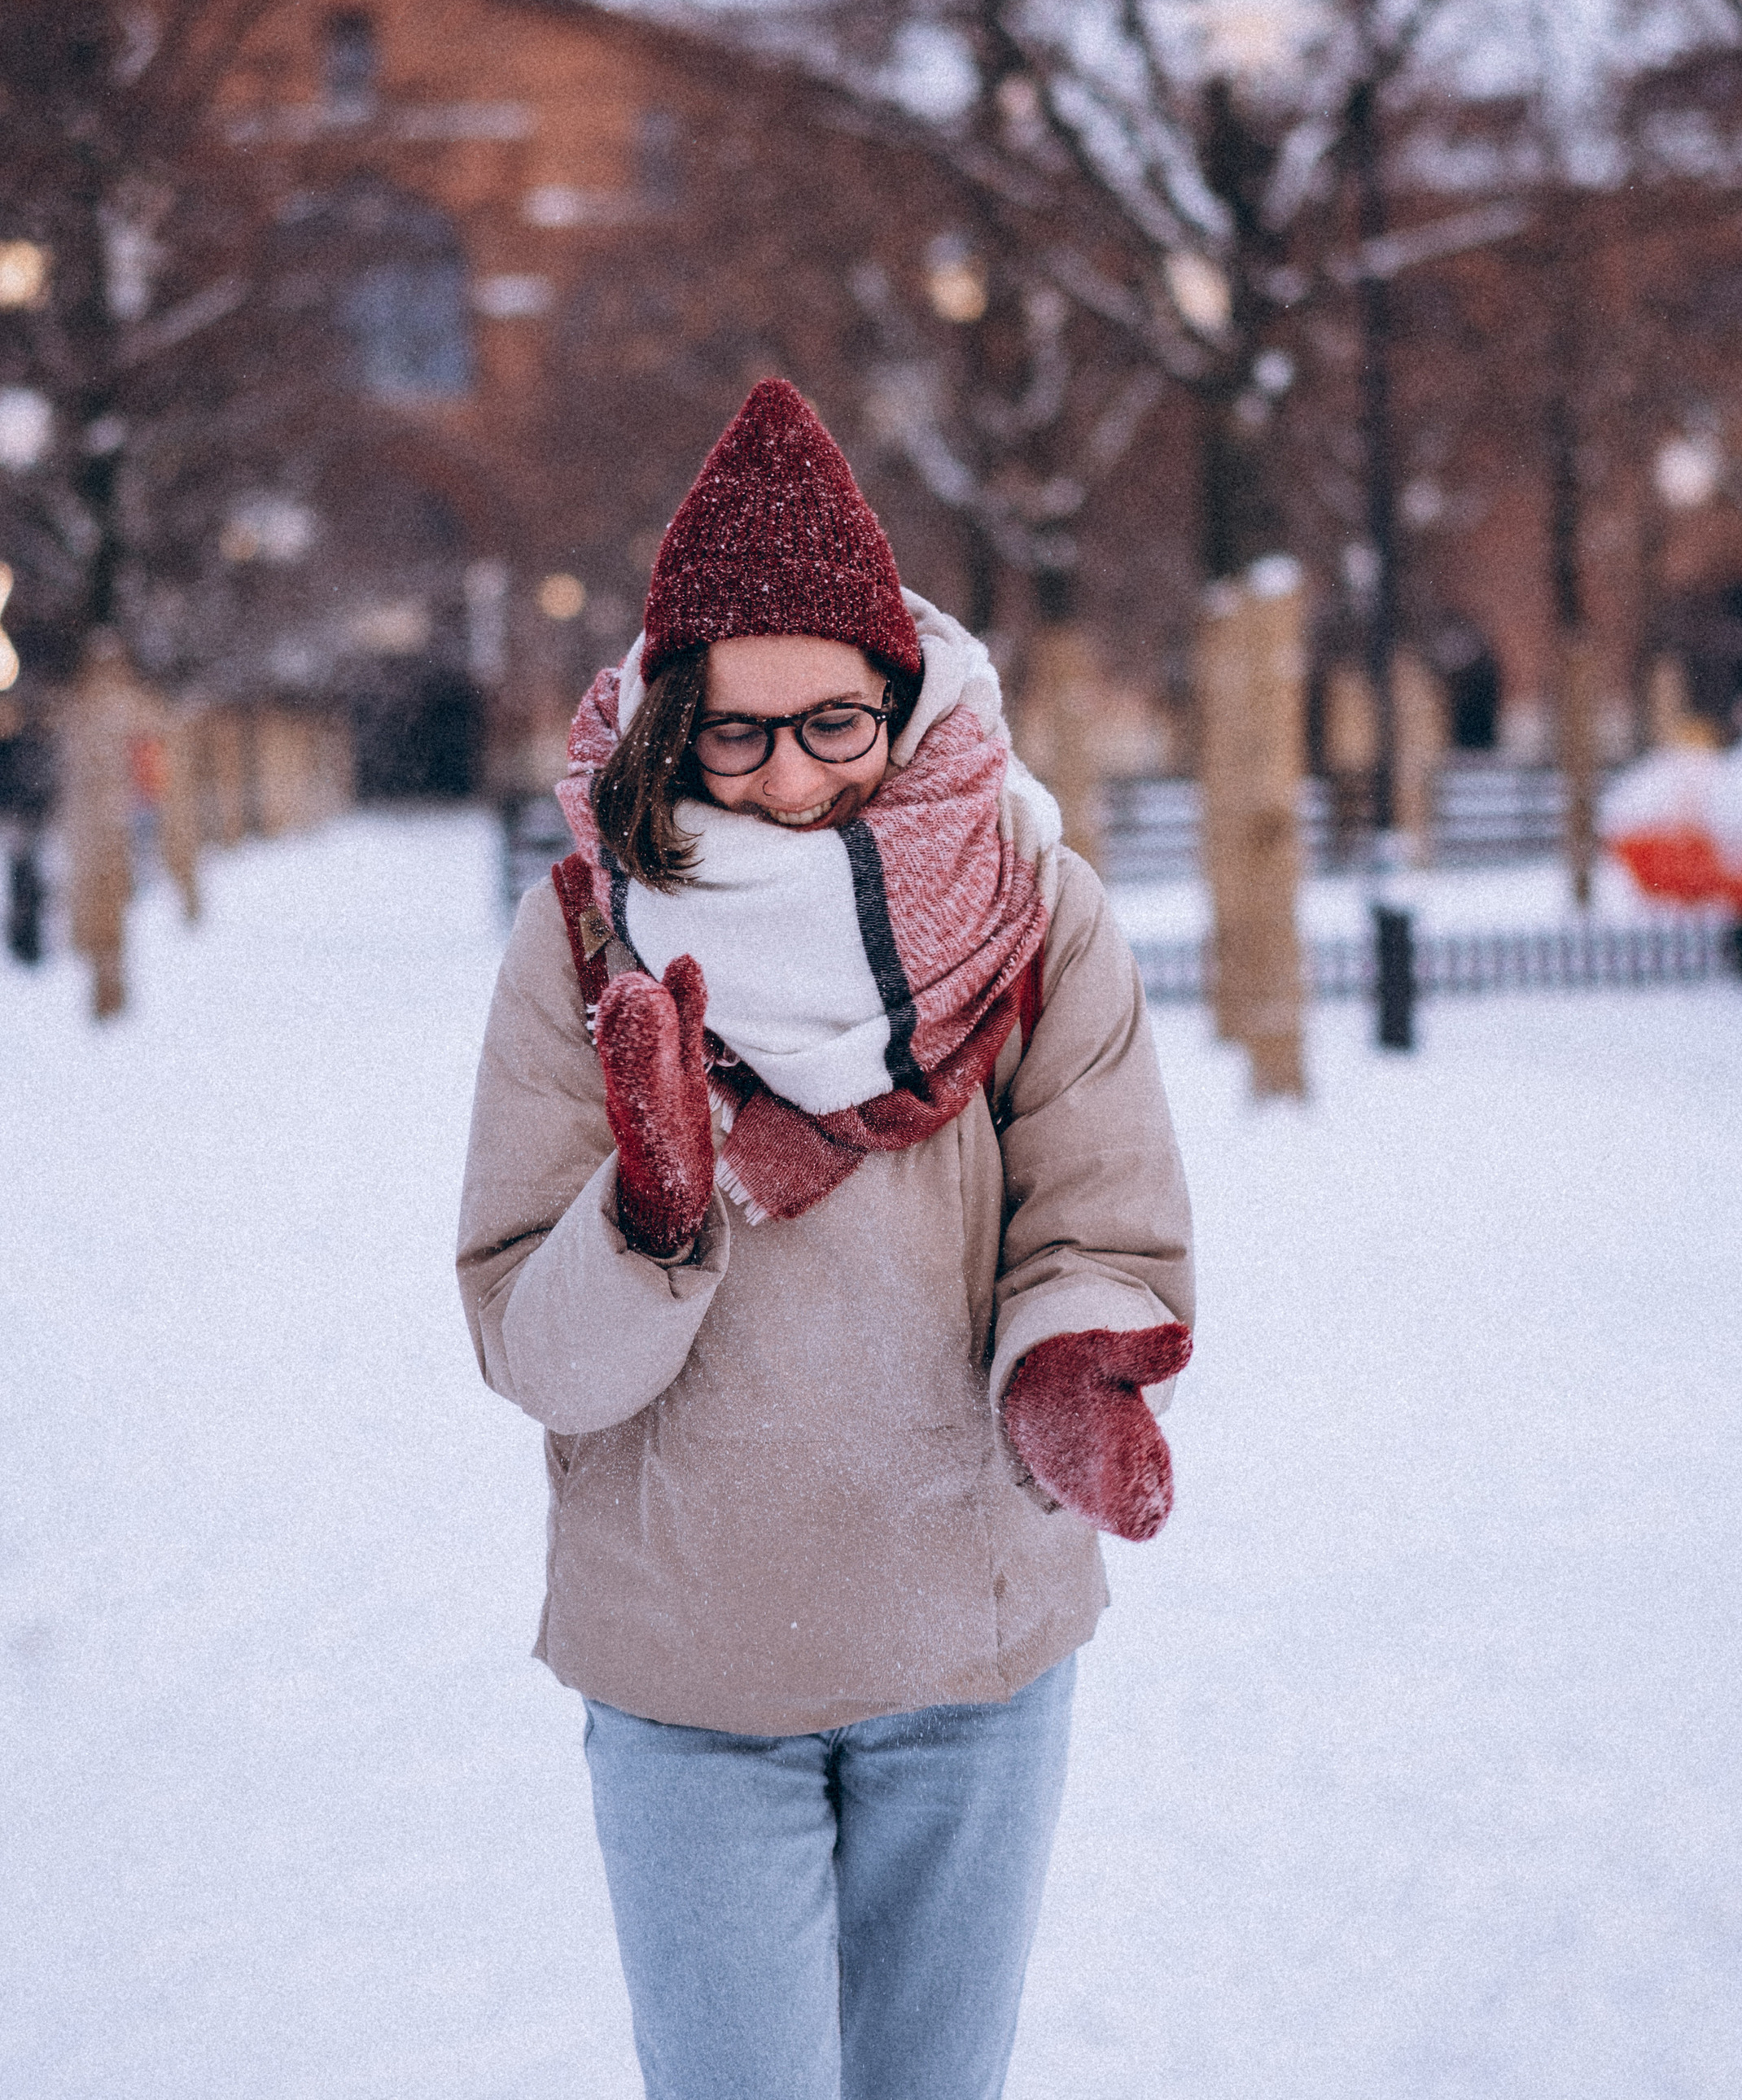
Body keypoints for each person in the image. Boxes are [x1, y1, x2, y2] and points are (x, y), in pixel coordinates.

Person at [457, 378, 1193, 2100]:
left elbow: (1101, 1203)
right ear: (668, 728)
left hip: (973, 1646)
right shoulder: (584, 938)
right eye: (737, 733)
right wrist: (647, 1210)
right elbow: (528, 1346)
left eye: (832, 725)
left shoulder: (1025, 904)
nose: (789, 778)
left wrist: (1070, 1368)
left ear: (900, 694)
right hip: (691, 1669)